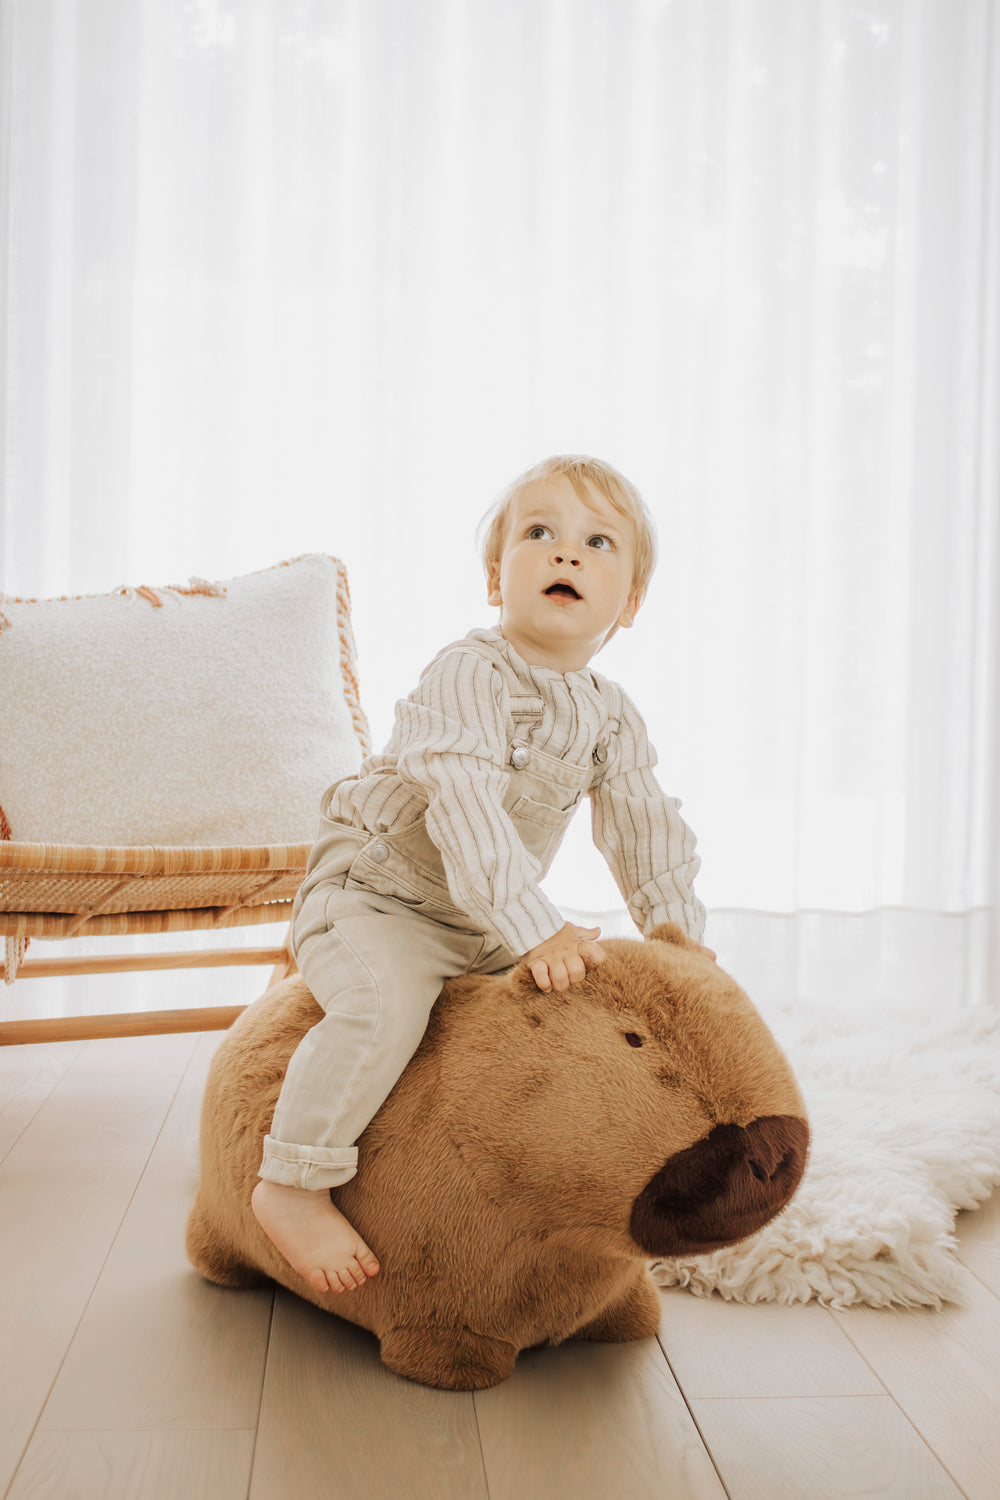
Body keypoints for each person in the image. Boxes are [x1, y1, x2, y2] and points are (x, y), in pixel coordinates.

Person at [251, 454, 711, 1296]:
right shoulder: (468, 672)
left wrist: (678, 938)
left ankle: (577, 1200)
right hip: (376, 897)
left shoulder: (612, 715)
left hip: (480, 922)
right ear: (496, 578)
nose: (565, 554)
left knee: (577, 1021)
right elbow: (463, 806)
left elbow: (646, 826)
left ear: (632, 602)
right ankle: (291, 1180)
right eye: (539, 534)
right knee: (383, 1006)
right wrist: (536, 928)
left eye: (597, 542)